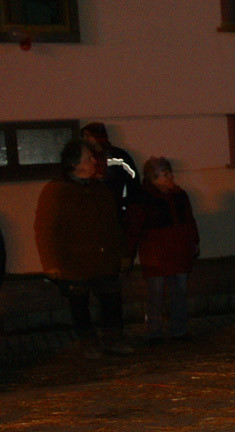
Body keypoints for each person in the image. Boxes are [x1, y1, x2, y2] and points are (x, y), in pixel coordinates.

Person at [34, 139, 133, 359]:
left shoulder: (100, 190)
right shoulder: (57, 191)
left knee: (111, 299)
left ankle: (113, 337)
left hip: (104, 258)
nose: (94, 161)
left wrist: (123, 253)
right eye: (88, 158)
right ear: (74, 164)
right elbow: (46, 230)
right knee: (79, 304)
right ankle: (88, 341)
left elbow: (114, 224)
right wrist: (51, 263)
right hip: (75, 262)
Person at [127, 157, 199, 342]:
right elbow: (134, 227)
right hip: (156, 253)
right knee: (155, 294)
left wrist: (193, 242)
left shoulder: (179, 194)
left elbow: (189, 221)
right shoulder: (143, 197)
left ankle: (179, 330)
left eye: (169, 173)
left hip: (177, 250)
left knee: (179, 293)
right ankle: (154, 332)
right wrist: (129, 252)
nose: (171, 177)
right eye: (165, 174)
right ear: (154, 178)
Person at [81, 122, 141, 225]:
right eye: (83, 136)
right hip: (94, 213)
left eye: (88, 135)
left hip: (119, 210)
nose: (85, 139)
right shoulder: (85, 159)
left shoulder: (119, 156)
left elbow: (133, 179)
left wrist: (129, 204)